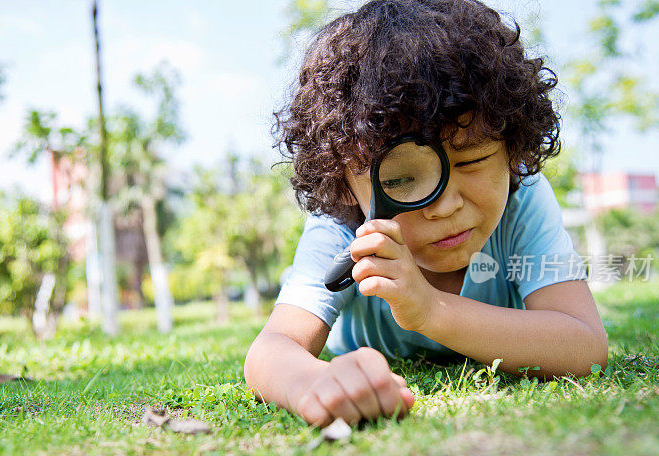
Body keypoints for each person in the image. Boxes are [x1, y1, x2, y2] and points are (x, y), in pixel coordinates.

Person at [244, 0, 608, 427]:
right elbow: (272, 349)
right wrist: (313, 384)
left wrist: (429, 309)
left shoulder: (522, 196)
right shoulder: (343, 228)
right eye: (400, 180)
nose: (446, 205)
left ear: (513, 150)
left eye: (473, 161)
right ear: (345, 185)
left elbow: (584, 345)